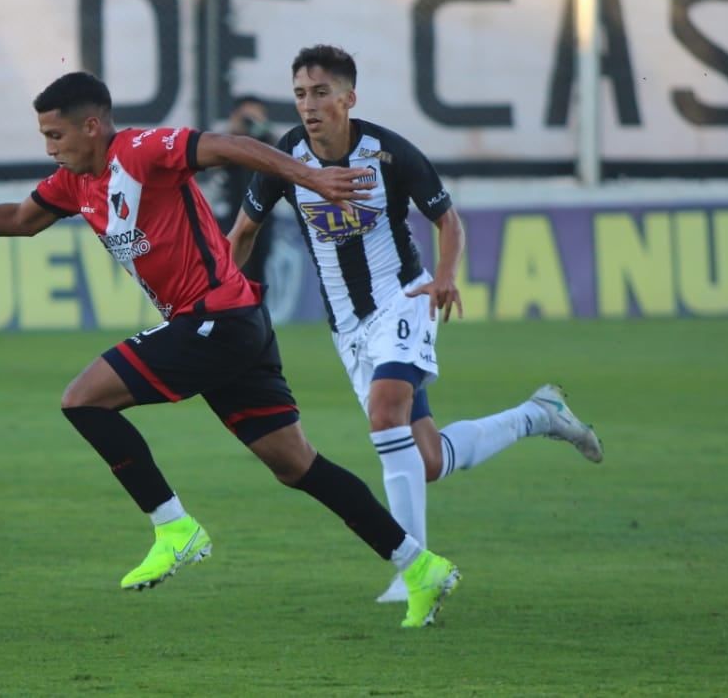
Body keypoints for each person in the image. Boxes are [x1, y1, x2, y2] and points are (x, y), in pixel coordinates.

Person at [0, 70, 460, 627]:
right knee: (296, 464)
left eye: (55, 135)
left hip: (218, 318)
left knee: (83, 400)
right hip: (232, 324)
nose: (50, 148)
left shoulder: (143, 150)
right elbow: (20, 218)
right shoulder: (73, 181)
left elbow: (230, 146)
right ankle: (420, 564)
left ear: (91, 127)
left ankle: (174, 527)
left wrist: (309, 178)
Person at [228, 45, 603, 603]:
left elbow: (447, 219)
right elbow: (241, 235)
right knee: (426, 460)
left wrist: (446, 275)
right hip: (349, 328)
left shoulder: (389, 153)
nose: (309, 105)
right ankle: (537, 415)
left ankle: (414, 573)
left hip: (404, 299)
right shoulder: (289, 157)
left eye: (321, 93)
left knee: (386, 410)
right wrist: (215, 306)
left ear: (349, 98)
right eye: (301, 94)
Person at [198, 95, 277, 284]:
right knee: (228, 269)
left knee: (258, 272)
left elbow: (283, 162)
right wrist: (233, 134)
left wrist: (262, 129)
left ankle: (256, 310)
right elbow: (208, 171)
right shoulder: (223, 142)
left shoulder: (268, 141)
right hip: (228, 216)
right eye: (245, 116)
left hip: (261, 218)